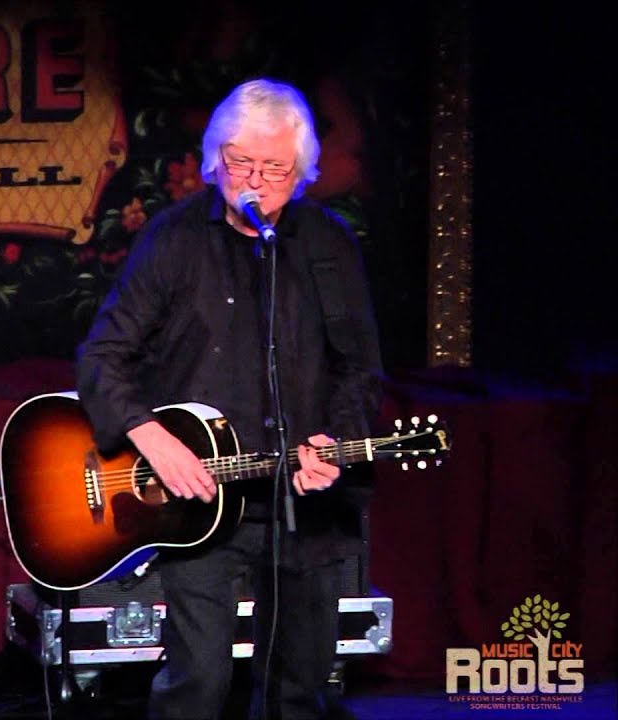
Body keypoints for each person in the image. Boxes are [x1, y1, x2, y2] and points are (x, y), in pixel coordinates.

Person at [75, 77, 383, 719]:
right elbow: (102, 357)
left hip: (304, 502)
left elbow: (359, 370)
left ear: (301, 172)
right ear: (216, 160)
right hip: (200, 507)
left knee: (299, 687)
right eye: (241, 162)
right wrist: (151, 440)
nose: (256, 180)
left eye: (275, 167)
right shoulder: (173, 238)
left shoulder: (328, 246)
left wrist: (336, 441)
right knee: (199, 685)